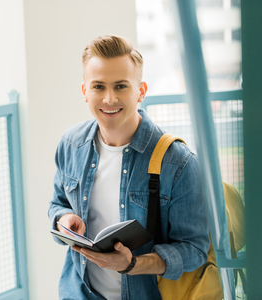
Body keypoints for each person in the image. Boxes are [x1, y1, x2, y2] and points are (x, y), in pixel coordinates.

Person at [48, 34, 210, 300]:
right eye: (98, 86)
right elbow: (57, 204)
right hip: (78, 293)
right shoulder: (70, 144)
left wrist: (132, 265)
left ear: (141, 91)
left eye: (121, 86)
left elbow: (194, 250)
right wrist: (64, 219)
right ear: (85, 92)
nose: (109, 99)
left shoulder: (178, 162)